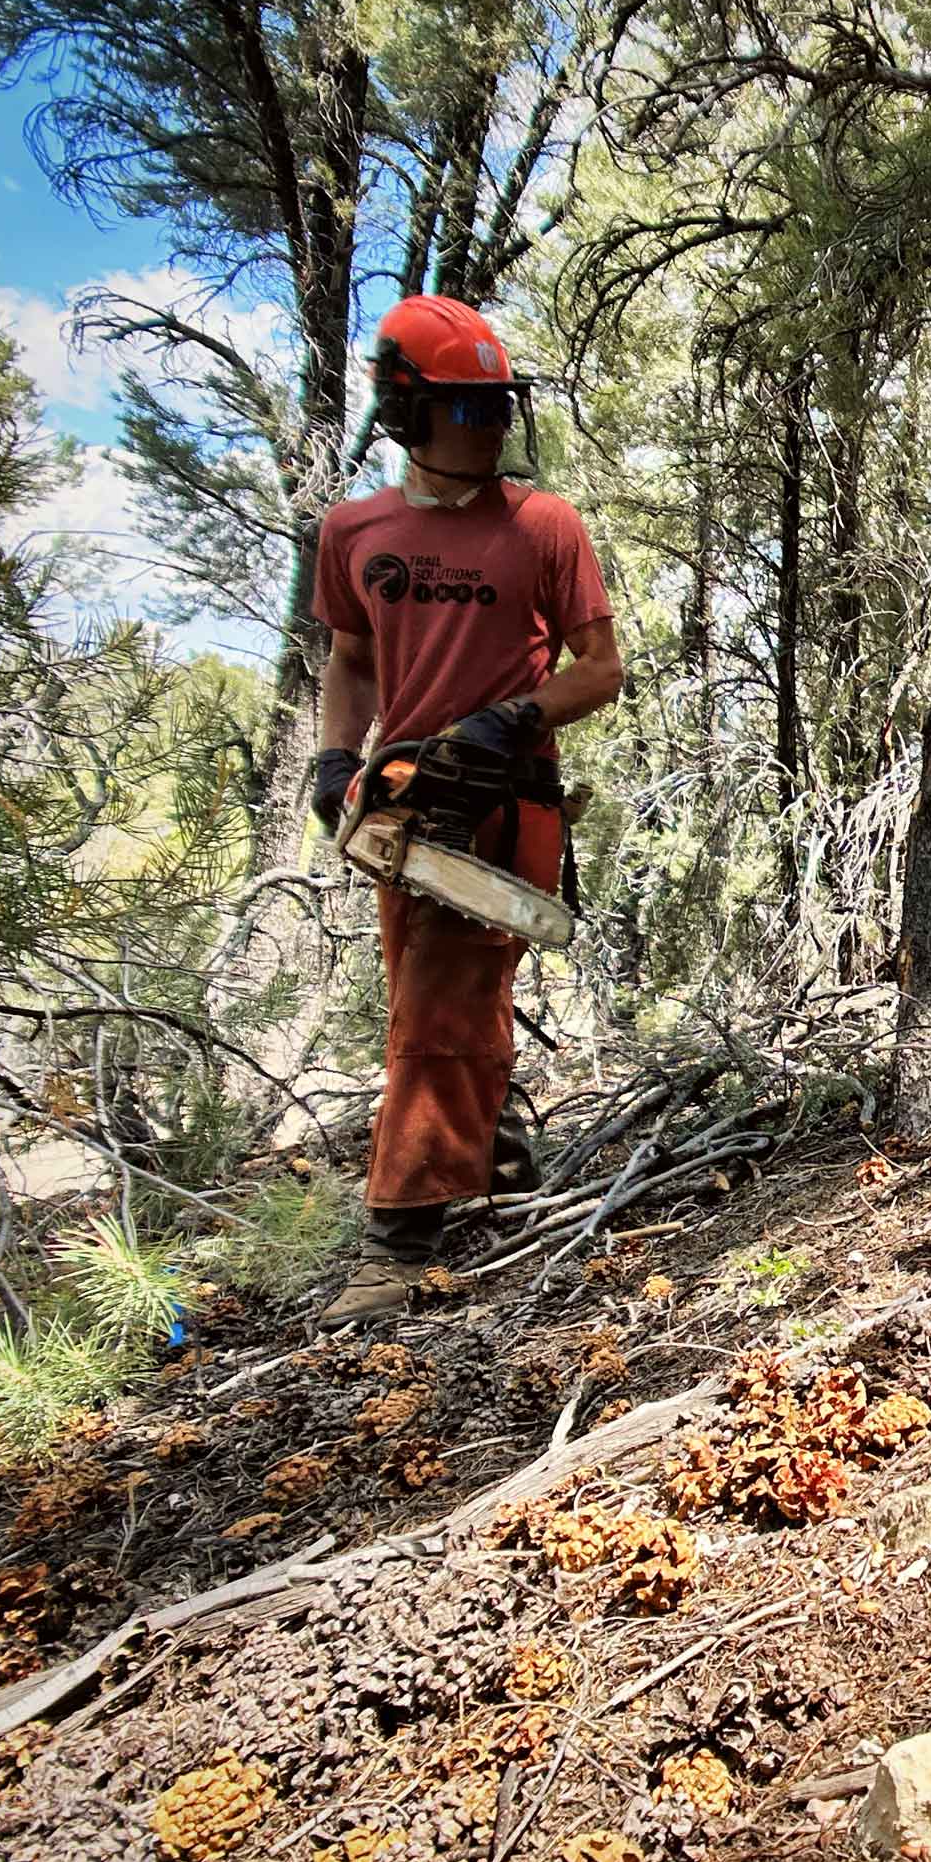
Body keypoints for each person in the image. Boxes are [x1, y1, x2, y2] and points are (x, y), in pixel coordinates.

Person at [311, 295, 623, 1326]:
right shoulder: (355, 530)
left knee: (437, 1009)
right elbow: (351, 658)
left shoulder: (543, 525)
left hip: (502, 800)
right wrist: (334, 758)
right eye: (465, 407)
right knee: (436, 999)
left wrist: (509, 719)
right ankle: (500, 1164)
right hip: (402, 803)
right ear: (407, 409)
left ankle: (400, 1240)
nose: (488, 426)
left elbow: (601, 668)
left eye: (497, 407)